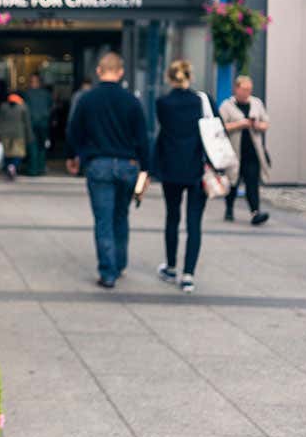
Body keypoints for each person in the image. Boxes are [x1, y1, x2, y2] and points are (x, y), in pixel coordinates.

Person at [67, 53, 150, 289]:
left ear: (99, 71)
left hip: (98, 164)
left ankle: (108, 272)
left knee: (103, 219)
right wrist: (146, 169)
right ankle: (120, 263)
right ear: (121, 72)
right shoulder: (132, 101)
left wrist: (73, 156)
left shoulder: (87, 99)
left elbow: (74, 130)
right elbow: (142, 138)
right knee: (121, 215)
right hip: (127, 166)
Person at [153, 60, 215, 294]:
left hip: (171, 168)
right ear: (191, 76)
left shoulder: (162, 103)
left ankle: (170, 267)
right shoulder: (203, 101)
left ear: (169, 78)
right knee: (194, 223)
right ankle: (188, 275)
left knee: (172, 217)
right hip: (197, 168)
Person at [220, 75, 271, 225]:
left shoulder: (256, 103)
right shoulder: (227, 106)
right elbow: (221, 127)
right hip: (234, 152)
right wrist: (240, 124)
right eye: (244, 89)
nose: (246, 93)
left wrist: (256, 125)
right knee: (233, 181)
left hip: (252, 152)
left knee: (252, 182)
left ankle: (255, 212)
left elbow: (266, 123)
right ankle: (229, 209)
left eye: (249, 90)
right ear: (236, 89)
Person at [0, 92, 34, 180]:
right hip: (19, 135)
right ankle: (13, 167)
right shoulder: (23, 107)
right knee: (17, 154)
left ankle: (8, 168)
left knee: (7, 154)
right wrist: (29, 136)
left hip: (5, 135)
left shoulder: (3, 107)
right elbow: (27, 123)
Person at [23, 74, 52, 176]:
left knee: (32, 146)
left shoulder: (26, 94)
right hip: (43, 123)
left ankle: (33, 169)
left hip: (31, 123)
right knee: (42, 146)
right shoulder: (46, 94)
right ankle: (41, 168)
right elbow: (50, 107)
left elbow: (24, 109)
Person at [65, 77, 92, 175]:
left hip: (78, 125)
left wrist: (70, 125)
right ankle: (84, 168)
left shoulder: (77, 95)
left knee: (79, 147)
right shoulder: (92, 95)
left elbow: (72, 112)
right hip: (89, 126)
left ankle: (79, 168)